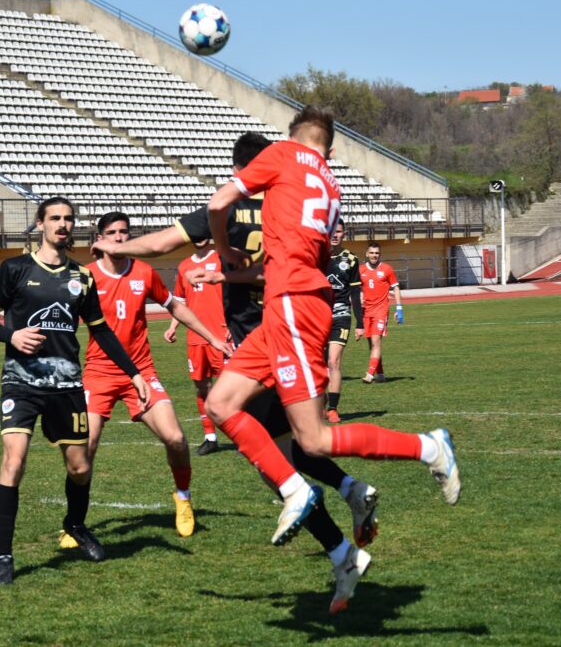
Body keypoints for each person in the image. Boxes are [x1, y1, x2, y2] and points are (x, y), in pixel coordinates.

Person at [92, 131, 383, 614]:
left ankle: (345, 535)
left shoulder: (232, 211)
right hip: (287, 332)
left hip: (262, 339)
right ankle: (348, 513)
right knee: (289, 445)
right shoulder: (291, 206)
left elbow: (163, 242)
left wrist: (115, 245)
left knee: (278, 459)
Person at [203, 106, 460, 599]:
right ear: (332, 150)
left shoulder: (281, 154)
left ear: (293, 138)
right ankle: (308, 502)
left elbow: (220, 203)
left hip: (295, 306)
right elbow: (318, 255)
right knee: (220, 405)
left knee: (314, 440)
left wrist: (225, 251)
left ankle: (428, 447)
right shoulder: (331, 187)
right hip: (289, 306)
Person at [0, 197, 151, 585]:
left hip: (68, 385)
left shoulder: (82, 277)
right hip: (20, 382)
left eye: (68, 219)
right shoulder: (15, 269)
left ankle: (75, 524)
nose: (62, 224)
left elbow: (101, 329)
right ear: (40, 224)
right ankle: (4, 556)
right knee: (13, 461)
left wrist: (134, 373)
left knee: (80, 467)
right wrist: (12, 335)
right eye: (55, 218)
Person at [80, 211, 232, 544]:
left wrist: (212, 337)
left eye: (124, 232)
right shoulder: (86, 276)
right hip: (98, 373)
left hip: (142, 372)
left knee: (176, 439)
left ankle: (183, 497)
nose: (120, 237)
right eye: (112, 233)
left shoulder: (144, 272)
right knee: (84, 449)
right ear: (100, 239)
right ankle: (75, 522)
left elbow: (176, 307)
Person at [164, 238, 229, 455]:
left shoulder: (221, 259)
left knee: (232, 388)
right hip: (195, 337)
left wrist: (233, 323)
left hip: (221, 334)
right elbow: (180, 302)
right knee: (202, 387)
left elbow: (234, 293)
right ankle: (210, 437)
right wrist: (173, 326)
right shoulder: (184, 265)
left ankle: (246, 437)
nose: (199, 237)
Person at [324, 218, 364, 422]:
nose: (335, 234)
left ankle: (332, 408)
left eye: (338, 231)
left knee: (334, 361)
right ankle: (319, 403)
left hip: (341, 315)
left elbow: (356, 292)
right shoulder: (314, 256)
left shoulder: (350, 259)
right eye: (331, 230)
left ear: (344, 234)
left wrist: (361, 323)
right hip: (316, 316)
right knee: (318, 365)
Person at [359, 241, 402, 384]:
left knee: (376, 341)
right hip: (366, 311)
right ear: (367, 254)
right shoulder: (360, 270)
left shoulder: (387, 269)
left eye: (377, 253)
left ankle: (370, 375)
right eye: (371, 253)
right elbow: (357, 290)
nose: (374, 255)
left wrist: (399, 308)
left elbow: (395, 288)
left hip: (381, 311)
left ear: (380, 254)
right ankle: (381, 374)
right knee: (372, 345)